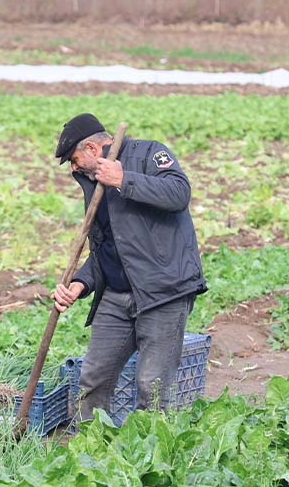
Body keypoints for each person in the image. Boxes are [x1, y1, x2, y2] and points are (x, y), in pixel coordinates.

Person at [50, 113, 208, 422]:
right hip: (116, 297)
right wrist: (80, 284)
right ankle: (92, 454)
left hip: (163, 294)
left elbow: (179, 193)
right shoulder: (93, 186)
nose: (73, 167)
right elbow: (107, 248)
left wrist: (125, 180)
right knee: (91, 382)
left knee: (152, 387)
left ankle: (146, 460)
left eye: (74, 158)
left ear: (93, 150)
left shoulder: (149, 153)